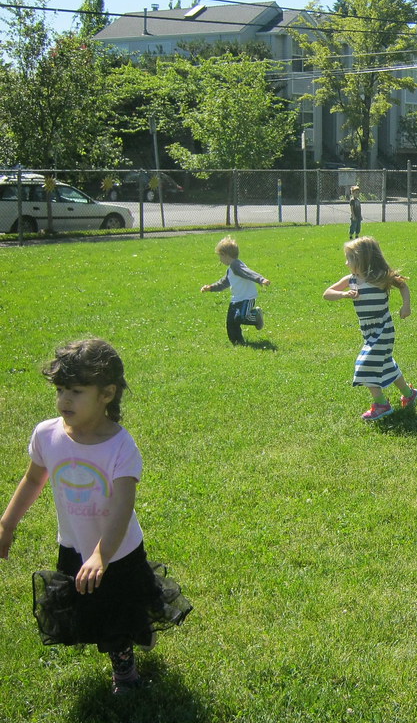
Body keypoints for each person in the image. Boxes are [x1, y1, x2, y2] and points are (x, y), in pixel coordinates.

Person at [0, 338, 191, 695]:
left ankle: (126, 674)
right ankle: (132, 631)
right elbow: (32, 479)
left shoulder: (120, 446)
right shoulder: (47, 434)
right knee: (92, 610)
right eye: (60, 390)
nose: (63, 401)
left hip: (117, 551)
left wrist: (102, 555)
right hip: (74, 545)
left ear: (107, 394)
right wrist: (7, 523)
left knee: (118, 615)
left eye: (75, 391)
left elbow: (122, 508)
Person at [324, 236, 417, 421]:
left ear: (362, 258)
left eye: (349, 258)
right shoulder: (351, 280)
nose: (346, 263)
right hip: (368, 331)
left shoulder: (380, 277)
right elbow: (327, 293)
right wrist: (343, 294)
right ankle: (409, 394)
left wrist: (406, 306)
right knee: (386, 364)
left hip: (383, 328)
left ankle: (381, 404)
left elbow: (403, 286)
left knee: (365, 364)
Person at [200, 236, 270, 345]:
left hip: (247, 298)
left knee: (240, 317)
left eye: (220, 257)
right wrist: (211, 287)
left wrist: (260, 279)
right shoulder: (231, 269)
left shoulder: (237, 265)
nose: (220, 260)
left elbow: (248, 272)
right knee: (231, 322)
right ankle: (237, 342)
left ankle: (256, 316)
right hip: (236, 299)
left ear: (225, 255)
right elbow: (223, 283)